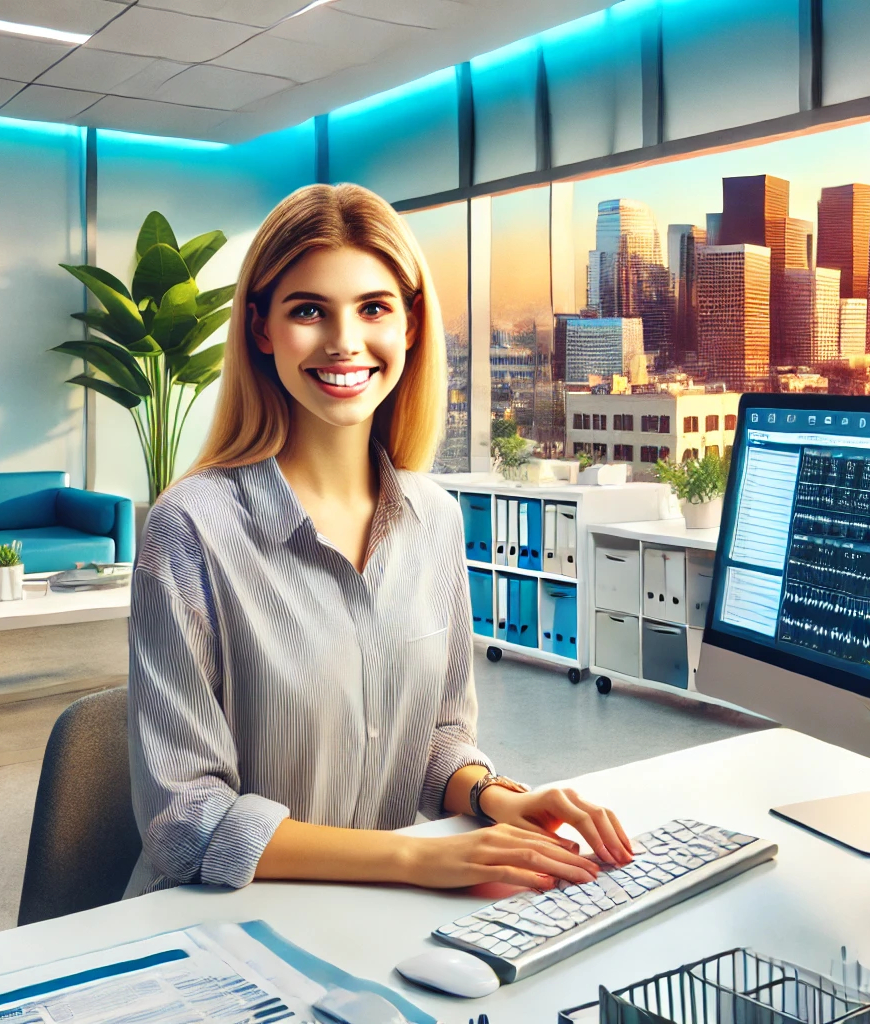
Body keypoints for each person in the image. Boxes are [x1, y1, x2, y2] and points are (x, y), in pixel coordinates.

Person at [125, 183, 633, 898]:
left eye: (373, 308)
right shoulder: (189, 528)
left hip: (378, 919)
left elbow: (433, 742)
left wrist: (494, 797)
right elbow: (187, 823)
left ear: (411, 326)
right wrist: (415, 861)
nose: (344, 342)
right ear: (262, 328)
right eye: (308, 310)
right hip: (223, 927)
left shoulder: (436, 520)